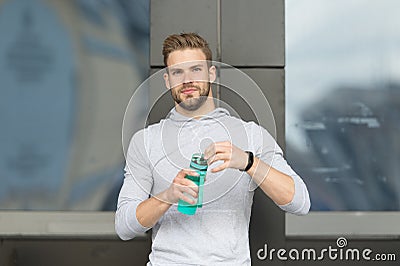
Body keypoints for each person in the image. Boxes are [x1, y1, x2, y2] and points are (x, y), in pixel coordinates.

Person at [115, 32, 310, 265]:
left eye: (196, 69)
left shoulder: (250, 135)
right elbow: (124, 226)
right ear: (167, 80)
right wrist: (168, 195)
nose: (187, 80)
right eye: (178, 72)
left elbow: (300, 202)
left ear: (212, 74)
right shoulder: (145, 141)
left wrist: (249, 162)